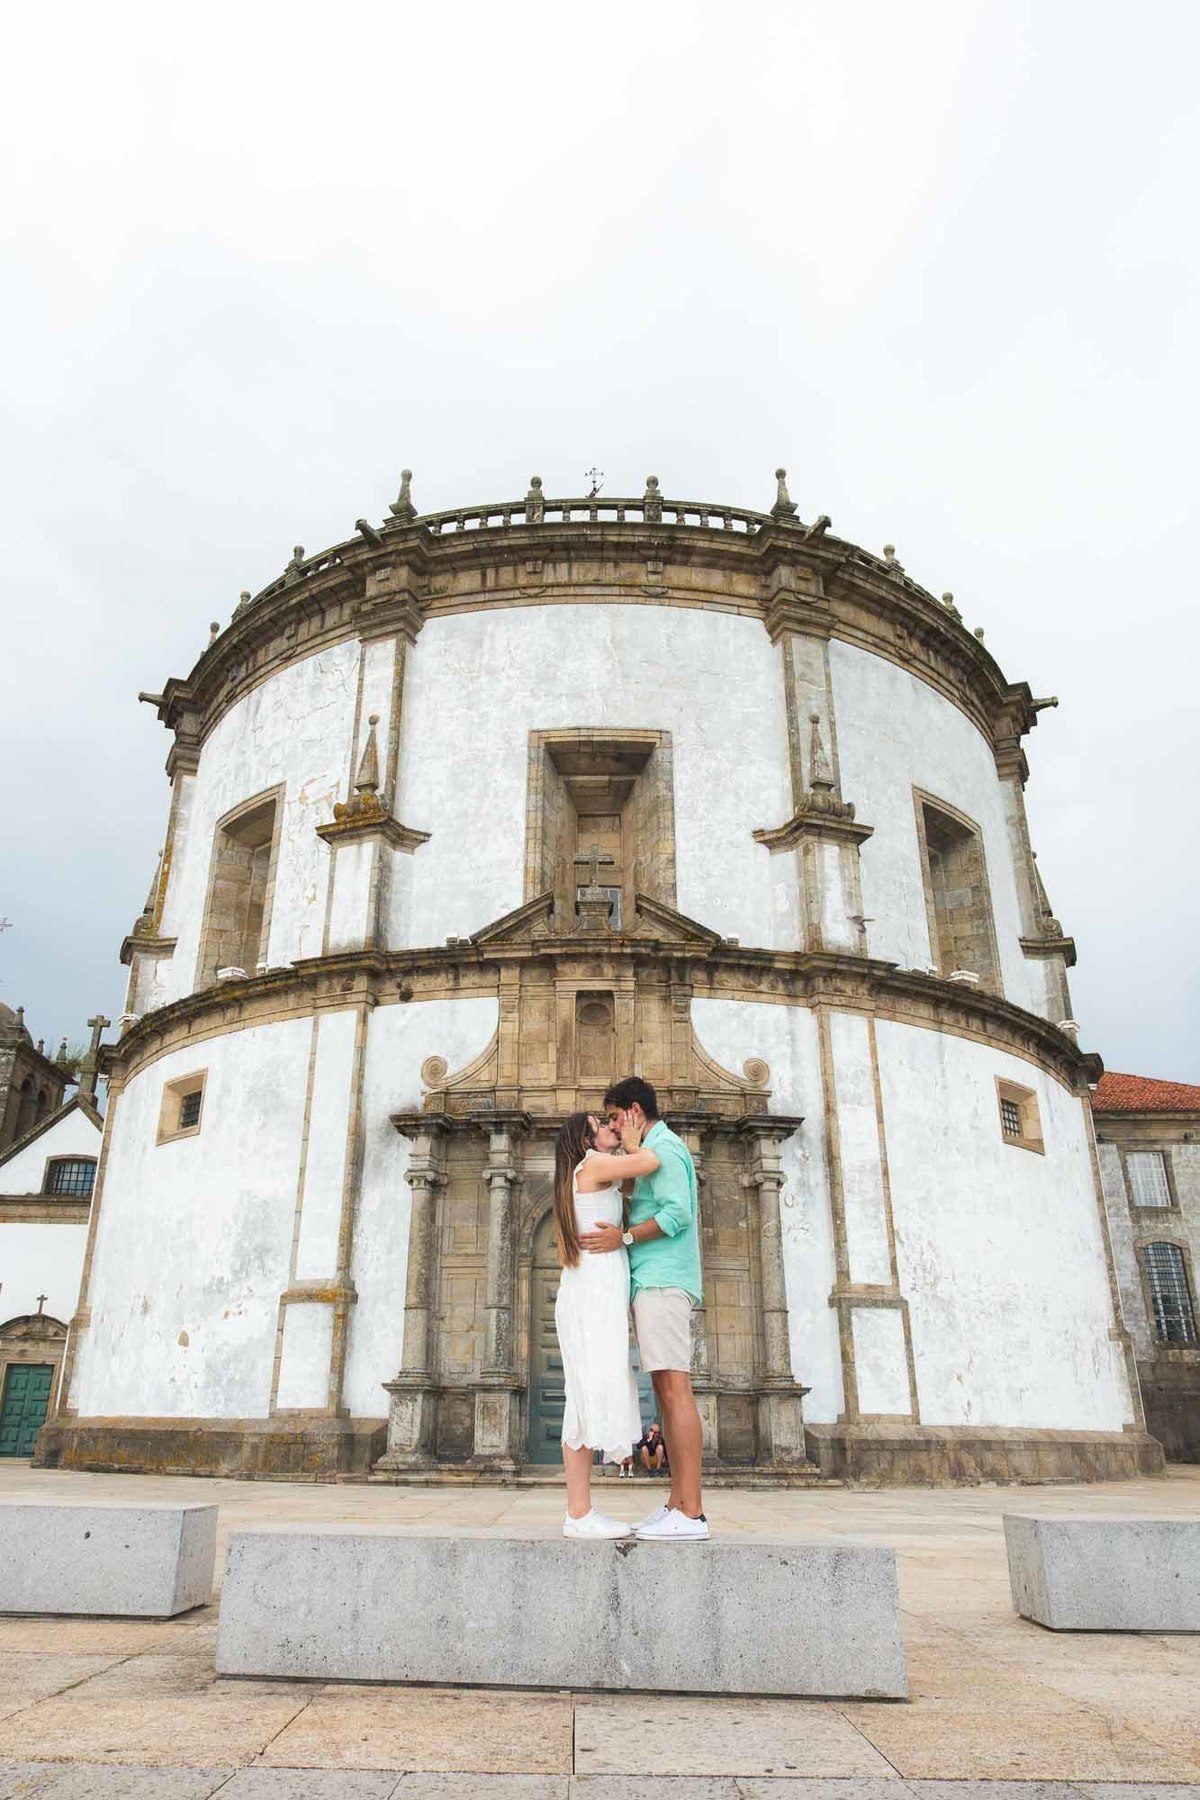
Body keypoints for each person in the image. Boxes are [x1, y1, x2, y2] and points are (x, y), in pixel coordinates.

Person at [580, 1075, 709, 1541]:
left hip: (663, 1280)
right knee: (665, 1390)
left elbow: (677, 1214)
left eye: (615, 1117)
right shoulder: (651, 1153)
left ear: (634, 1111)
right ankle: (677, 1503)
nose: (614, 1127)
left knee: (675, 1391)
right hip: (651, 1281)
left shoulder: (667, 1149)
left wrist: (624, 1237)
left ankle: (692, 1512)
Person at [552, 1110, 661, 1539]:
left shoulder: (596, 1171)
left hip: (596, 1290)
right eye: (602, 1125)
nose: (610, 1127)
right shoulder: (593, 1166)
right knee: (584, 1393)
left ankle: (581, 1511)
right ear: (586, 1140)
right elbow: (650, 1163)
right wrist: (634, 1140)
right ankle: (578, 1513)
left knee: (588, 1390)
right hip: (592, 1294)